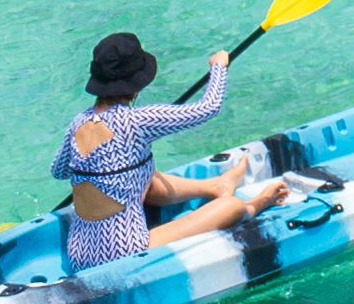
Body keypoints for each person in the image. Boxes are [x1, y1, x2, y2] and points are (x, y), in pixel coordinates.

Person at [56, 32, 297, 269]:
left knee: (146, 177)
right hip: (126, 253)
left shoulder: (78, 123)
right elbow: (209, 108)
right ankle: (255, 205)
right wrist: (219, 67)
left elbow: (59, 171)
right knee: (231, 206)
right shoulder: (138, 121)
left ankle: (216, 186)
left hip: (78, 254)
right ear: (136, 85)